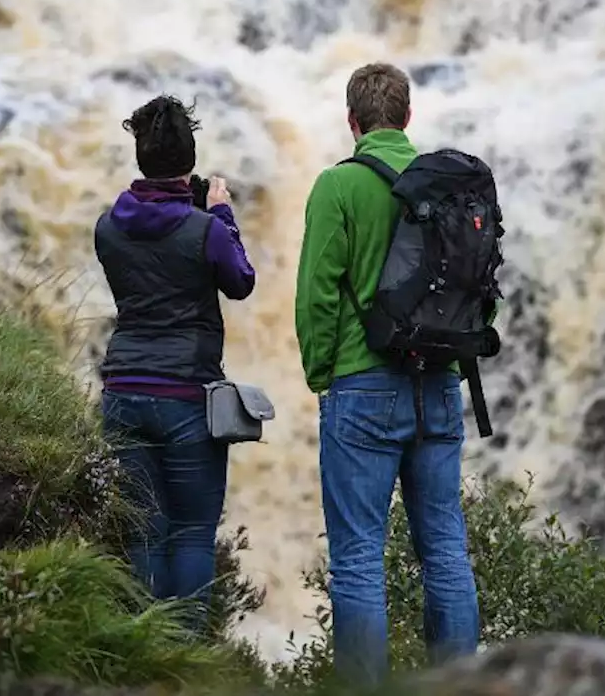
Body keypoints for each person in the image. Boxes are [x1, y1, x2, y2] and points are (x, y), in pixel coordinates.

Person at [295, 63, 481, 682]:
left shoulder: (337, 187)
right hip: (438, 386)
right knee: (447, 553)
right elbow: (484, 289)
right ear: (408, 117)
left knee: (357, 563)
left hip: (361, 388)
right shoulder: (453, 185)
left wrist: (323, 371)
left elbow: (317, 293)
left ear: (352, 123)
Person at [94, 94, 255, 635]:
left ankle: (144, 648)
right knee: (190, 531)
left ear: (141, 158)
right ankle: (184, 654)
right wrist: (222, 211)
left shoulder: (107, 228)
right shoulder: (205, 228)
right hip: (187, 397)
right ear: (189, 163)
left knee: (143, 530)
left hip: (123, 391)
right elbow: (241, 281)